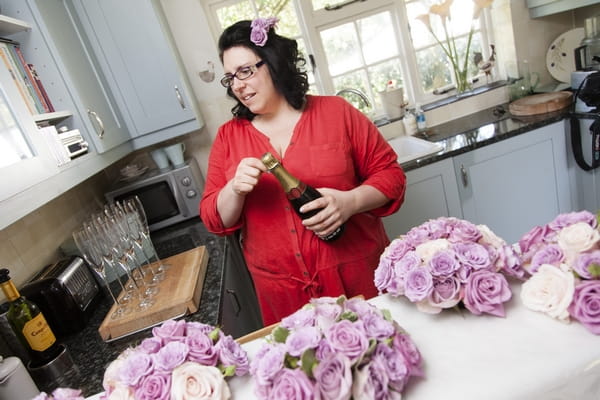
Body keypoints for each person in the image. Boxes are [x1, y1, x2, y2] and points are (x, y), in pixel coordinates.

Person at [199, 17, 406, 326]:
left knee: (382, 361)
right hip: (284, 298)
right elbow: (215, 220)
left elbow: (391, 176)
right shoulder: (229, 137)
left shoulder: (336, 112)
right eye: (230, 77)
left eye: (245, 71)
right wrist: (234, 190)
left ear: (273, 63)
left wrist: (349, 203)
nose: (238, 85)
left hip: (357, 278)